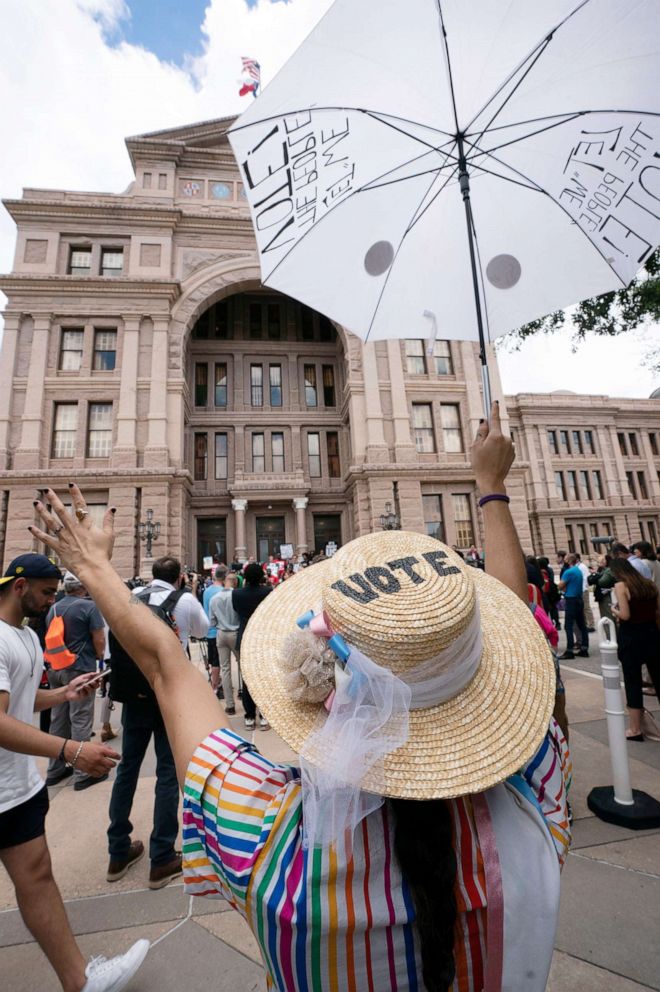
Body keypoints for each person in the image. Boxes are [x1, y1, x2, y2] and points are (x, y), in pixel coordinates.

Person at [31, 401, 571, 992]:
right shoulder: (537, 806)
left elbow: (166, 667)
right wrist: (491, 487)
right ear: (491, 688)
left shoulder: (270, 849)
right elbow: (518, 625)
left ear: (321, 695)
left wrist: (93, 567)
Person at [0, 553, 148, 992]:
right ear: (20, 586)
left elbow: (22, 702)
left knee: (38, 877)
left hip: (17, 788)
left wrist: (63, 692)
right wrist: (71, 750)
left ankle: (80, 981)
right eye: (47, 593)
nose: (53, 602)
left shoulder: (25, 634)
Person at [45, 572, 106, 791]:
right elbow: (99, 638)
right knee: (80, 718)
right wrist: (100, 656)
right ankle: (82, 773)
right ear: (84, 587)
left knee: (58, 718)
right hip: (79, 668)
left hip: (56, 667)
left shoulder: (54, 607)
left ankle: (55, 769)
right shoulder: (89, 607)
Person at [610, 559, 660, 741]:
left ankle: (635, 729)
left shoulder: (621, 586)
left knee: (633, 682)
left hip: (631, 637)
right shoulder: (649, 585)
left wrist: (613, 610)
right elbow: (658, 612)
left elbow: (625, 615)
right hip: (653, 635)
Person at [232, 563, 272, 731]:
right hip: (262, 637)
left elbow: (236, 610)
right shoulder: (267, 591)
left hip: (245, 636)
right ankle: (264, 715)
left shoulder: (237, 594)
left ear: (245, 577)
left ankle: (249, 716)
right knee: (263, 677)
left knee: (247, 678)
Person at [208, 573, 240, 716]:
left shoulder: (214, 599)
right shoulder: (237, 596)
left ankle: (230, 704)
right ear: (235, 582)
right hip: (235, 632)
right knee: (242, 666)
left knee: (225, 669)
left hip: (221, 633)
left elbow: (212, 621)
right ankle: (245, 696)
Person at [558, 554, 589, 660]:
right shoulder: (578, 570)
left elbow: (560, 585)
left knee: (568, 626)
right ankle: (584, 648)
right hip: (579, 599)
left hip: (571, 599)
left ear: (568, 561)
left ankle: (569, 651)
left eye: (565, 559)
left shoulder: (568, 572)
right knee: (582, 625)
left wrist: (562, 588)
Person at [202, 565, 227, 697]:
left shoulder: (207, 591)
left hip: (208, 630)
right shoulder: (222, 592)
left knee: (213, 659)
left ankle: (216, 681)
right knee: (218, 661)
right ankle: (214, 686)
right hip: (218, 630)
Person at [588, 554, 615, 623]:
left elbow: (601, 582)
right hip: (601, 596)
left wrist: (596, 575)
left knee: (608, 617)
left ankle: (611, 633)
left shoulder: (608, 570)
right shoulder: (602, 570)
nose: (600, 563)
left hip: (606, 595)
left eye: (602, 561)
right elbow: (590, 580)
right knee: (604, 616)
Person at [574, 555, 596, 631]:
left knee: (586, 607)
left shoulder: (581, 567)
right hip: (581, 589)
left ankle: (591, 625)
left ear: (576, 559)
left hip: (583, 589)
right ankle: (587, 624)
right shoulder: (578, 566)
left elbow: (584, 579)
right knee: (583, 608)